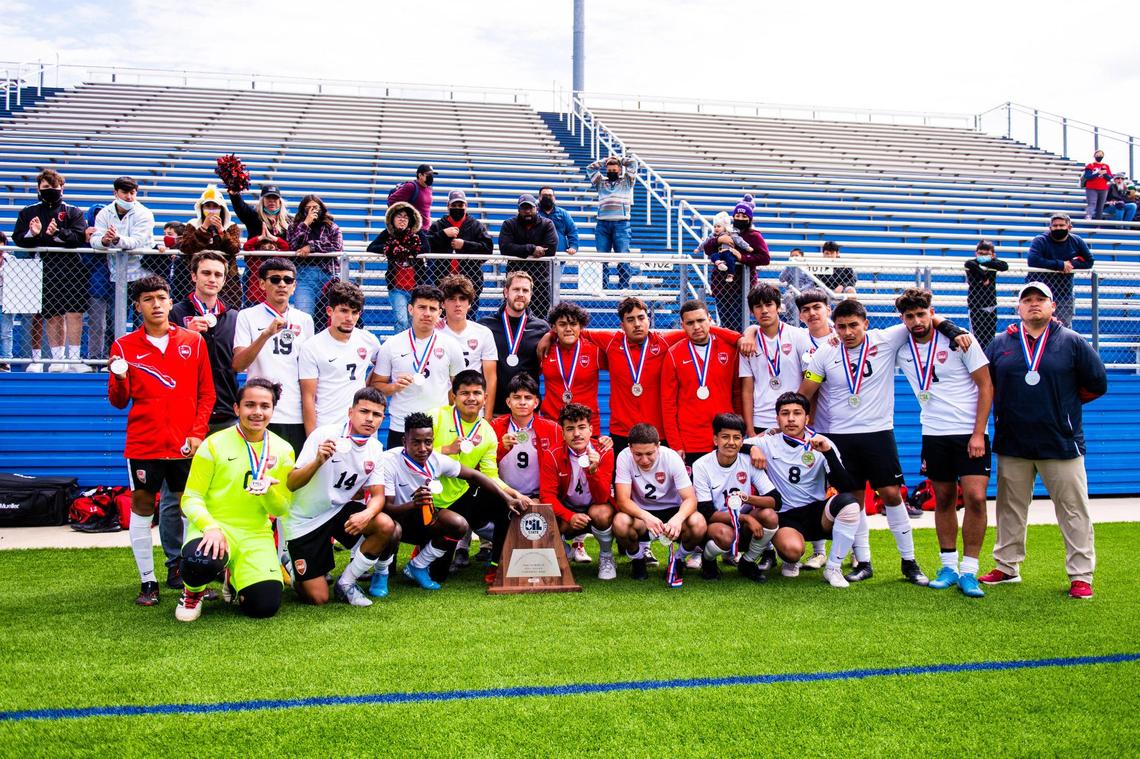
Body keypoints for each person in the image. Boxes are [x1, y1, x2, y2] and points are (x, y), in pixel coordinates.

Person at [799, 299, 967, 585]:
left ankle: (909, 562)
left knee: (891, 494)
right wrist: (799, 425)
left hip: (878, 432)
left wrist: (951, 329)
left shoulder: (887, 339)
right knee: (853, 501)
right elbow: (805, 393)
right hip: (839, 435)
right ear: (834, 327)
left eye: (854, 325)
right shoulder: (824, 353)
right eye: (841, 327)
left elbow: (923, 321)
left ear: (866, 323)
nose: (848, 332)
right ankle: (864, 562)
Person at [979, 282, 1107, 599]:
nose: (1034, 304)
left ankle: (1081, 574)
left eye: (1041, 299)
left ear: (1052, 307)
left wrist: (1061, 408)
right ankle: (1007, 566)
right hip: (1014, 442)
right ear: (1018, 308)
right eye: (1027, 300)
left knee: (1074, 511)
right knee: (1009, 509)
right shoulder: (999, 344)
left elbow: (1097, 384)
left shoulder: (1072, 342)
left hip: (1061, 443)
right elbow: (986, 387)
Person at [107, 275, 215, 607]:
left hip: (184, 444)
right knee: (142, 508)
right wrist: (121, 377)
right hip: (144, 444)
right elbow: (118, 401)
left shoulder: (194, 341)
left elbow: (206, 394)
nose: (156, 304)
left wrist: (198, 433)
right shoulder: (123, 346)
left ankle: (189, 577)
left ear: (171, 302)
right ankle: (147, 582)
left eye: (161, 297)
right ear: (137, 306)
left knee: (189, 508)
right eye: (148, 299)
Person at [893, 289, 993, 598]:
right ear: (903, 319)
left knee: (975, 498)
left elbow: (986, 385)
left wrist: (978, 433)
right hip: (933, 434)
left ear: (931, 312)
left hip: (968, 433)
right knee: (944, 497)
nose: (917, 321)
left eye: (922, 314)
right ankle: (948, 566)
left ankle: (970, 570)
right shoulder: (900, 346)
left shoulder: (961, 340)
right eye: (910, 316)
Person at [174, 378, 295, 622]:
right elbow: (190, 499)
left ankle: (233, 577)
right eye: (250, 405)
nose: (257, 412)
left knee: (264, 606)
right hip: (214, 528)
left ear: (273, 409)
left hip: (254, 534)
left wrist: (269, 492)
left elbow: (282, 508)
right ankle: (192, 593)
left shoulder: (283, 450)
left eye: (264, 406)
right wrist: (211, 527)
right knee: (202, 560)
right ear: (237, 408)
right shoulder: (213, 444)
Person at [379, 408, 524, 591]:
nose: (423, 449)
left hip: (423, 518)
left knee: (458, 525)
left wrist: (507, 498)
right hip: (397, 519)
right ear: (404, 441)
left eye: (428, 442)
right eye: (416, 442)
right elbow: (386, 508)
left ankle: (418, 565)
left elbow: (475, 475)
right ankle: (380, 574)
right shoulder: (388, 461)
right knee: (391, 528)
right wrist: (414, 504)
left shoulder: (436, 460)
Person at [283, 387, 396, 607]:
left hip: (336, 511)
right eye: (364, 411)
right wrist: (317, 461)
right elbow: (291, 483)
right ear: (350, 412)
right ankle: (290, 562)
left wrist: (368, 513)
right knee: (318, 598)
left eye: (377, 415)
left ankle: (347, 583)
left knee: (385, 525)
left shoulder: (375, 448)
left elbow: (378, 495)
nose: (370, 419)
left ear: (383, 418)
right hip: (304, 519)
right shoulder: (324, 435)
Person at [429, 371, 531, 585]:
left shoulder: (487, 431)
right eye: (464, 393)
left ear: (485, 398)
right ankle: (422, 550)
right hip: (427, 495)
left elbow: (490, 475)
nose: (471, 398)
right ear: (453, 396)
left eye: (477, 393)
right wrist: (446, 449)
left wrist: (514, 493)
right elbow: (412, 455)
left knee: (504, 505)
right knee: (437, 575)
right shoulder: (436, 416)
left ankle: (496, 565)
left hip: (459, 496)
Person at [748, 394, 860, 588]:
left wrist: (828, 453)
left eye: (797, 413)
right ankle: (790, 560)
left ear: (807, 418)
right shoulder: (767, 442)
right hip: (786, 515)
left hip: (817, 513)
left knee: (849, 504)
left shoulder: (822, 442)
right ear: (777, 419)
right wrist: (751, 449)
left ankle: (833, 568)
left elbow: (844, 486)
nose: (791, 419)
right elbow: (731, 445)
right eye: (785, 413)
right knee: (792, 551)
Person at [232, 257, 315, 454]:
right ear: (262, 283)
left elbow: (308, 370)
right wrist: (266, 335)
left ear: (294, 286)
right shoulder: (247, 316)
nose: (282, 285)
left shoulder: (305, 320)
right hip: (259, 411)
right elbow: (238, 364)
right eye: (275, 279)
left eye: (287, 280)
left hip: (294, 412)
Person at [13, 169, 89, 372]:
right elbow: (18, 238)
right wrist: (33, 233)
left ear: (62, 189)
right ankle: (57, 358)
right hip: (43, 268)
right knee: (52, 314)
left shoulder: (73, 211)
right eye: (46, 187)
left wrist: (58, 233)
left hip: (72, 268)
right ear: (38, 189)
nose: (50, 191)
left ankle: (74, 359)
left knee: (75, 313)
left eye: (54, 187)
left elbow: (79, 237)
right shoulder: (28, 212)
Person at [370, 284, 464, 448]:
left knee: (435, 473)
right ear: (410, 309)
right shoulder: (391, 345)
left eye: (433, 309)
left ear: (440, 313)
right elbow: (376, 386)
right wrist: (394, 387)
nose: (427, 313)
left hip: (438, 426)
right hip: (401, 426)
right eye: (422, 307)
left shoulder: (451, 345)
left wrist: (443, 409)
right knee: (399, 473)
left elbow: (460, 386)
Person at [612, 423, 705, 586]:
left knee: (698, 523)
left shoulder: (672, 458)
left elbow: (690, 499)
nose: (644, 460)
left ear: (658, 446)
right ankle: (638, 559)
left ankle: (678, 559)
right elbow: (622, 500)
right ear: (630, 447)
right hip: (641, 513)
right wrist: (645, 516)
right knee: (620, 522)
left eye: (649, 453)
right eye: (638, 454)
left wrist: (678, 519)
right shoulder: (624, 456)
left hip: (672, 511)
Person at [690, 413, 780, 582]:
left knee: (769, 515)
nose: (731, 442)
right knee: (725, 535)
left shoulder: (749, 461)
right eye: (725, 437)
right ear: (715, 440)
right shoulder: (701, 465)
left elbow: (775, 500)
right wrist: (745, 518)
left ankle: (748, 561)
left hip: (743, 526)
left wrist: (747, 498)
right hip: (717, 523)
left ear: (742, 441)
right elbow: (706, 512)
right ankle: (708, 560)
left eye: (736, 438)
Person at [540, 403, 618, 580]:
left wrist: (594, 472)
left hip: (594, 506)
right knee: (546, 515)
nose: (576, 434)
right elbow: (547, 495)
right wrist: (569, 516)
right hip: (567, 508)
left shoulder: (604, 452)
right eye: (570, 429)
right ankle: (562, 548)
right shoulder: (552, 454)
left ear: (591, 429)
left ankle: (606, 556)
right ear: (563, 432)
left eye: (582, 427)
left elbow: (602, 496)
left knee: (602, 512)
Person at [660, 300, 741, 467]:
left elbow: (738, 392)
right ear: (682, 325)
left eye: (701, 320)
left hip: (726, 436)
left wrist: (741, 429)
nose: (696, 327)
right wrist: (675, 444)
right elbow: (668, 405)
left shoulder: (729, 349)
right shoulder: (674, 354)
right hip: (691, 440)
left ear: (710, 319)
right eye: (690, 323)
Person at [298, 280, 380, 435]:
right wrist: (312, 438)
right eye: (344, 311)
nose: (349, 318)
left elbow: (382, 367)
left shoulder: (369, 341)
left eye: (354, 312)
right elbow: (308, 398)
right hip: (327, 426)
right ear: (330, 311)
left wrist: (368, 385)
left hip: (360, 426)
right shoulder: (312, 347)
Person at [170, 251, 240, 432]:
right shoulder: (175, 313)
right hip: (187, 411)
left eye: (218, 275)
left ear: (224, 280)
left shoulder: (234, 317)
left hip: (226, 410)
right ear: (194, 276)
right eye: (206, 273)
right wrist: (186, 335)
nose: (212, 279)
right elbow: (164, 360)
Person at [739, 284, 814, 438]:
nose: (764, 310)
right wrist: (750, 430)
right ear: (752, 312)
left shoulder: (798, 337)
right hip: (762, 420)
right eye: (758, 306)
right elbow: (747, 390)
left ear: (778, 307)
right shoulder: (747, 344)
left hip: (793, 420)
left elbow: (811, 380)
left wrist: (806, 416)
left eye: (769, 304)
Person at [479, 270, 551, 416]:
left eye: (525, 290)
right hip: (495, 410)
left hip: (528, 411)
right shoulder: (485, 326)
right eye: (516, 289)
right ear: (506, 292)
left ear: (531, 294)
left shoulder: (542, 328)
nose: (520, 294)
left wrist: (551, 334)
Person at [699, 196, 771, 332]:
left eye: (744, 216)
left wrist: (742, 257)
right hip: (721, 285)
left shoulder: (754, 235)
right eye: (737, 215)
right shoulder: (726, 231)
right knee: (725, 324)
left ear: (749, 218)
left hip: (741, 287)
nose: (740, 218)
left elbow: (764, 258)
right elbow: (708, 250)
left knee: (739, 325)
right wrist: (719, 240)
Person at [438, 273, 498, 418]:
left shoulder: (483, 333)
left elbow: (491, 378)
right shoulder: (434, 333)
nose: (457, 304)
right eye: (451, 299)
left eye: (462, 299)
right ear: (443, 303)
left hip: (474, 408)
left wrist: (488, 416)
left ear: (470, 303)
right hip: (442, 407)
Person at [539, 301, 604, 436]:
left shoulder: (595, 350)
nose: (568, 328)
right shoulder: (544, 349)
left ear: (581, 327)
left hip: (585, 426)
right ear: (554, 328)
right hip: (552, 423)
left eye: (573, 324)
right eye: (562, 324)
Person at [90, 176, 157, 302]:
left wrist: (116, 239)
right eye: (125, 192)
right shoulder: (104, 213)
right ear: (115, 193)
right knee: (115, 318)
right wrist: (104, 240)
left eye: (132, 193)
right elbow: (95, 240)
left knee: (143, 317)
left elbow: (137, 241)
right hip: (117, 274)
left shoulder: (145, 213)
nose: (129, 197)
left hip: (143, 273)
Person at [367, 201, 429, 333]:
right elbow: (371, 247)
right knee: (402, 320)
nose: (402, 219)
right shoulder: (388, 234)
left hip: (416, 288)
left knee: (415, 322)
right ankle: (401, 348)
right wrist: (391, 249)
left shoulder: (418, 234)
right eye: (399, 216)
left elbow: (427, 248)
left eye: (406, 217)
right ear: (392, 219)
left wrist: (408, 249)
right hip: (397, 287)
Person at [177, 184, 242, 307]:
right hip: (197, 276)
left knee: (228, 309)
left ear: (222, 209)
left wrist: (221, 231)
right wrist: (203, 228)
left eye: (215, 206)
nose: (211, 210)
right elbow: (186, 247)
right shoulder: (192, 224)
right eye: (207, 206)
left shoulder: (231, 226)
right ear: (201, 208)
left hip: (227, 279)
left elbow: (235, 248)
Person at [426, 190, 493, 310]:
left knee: (469, 320)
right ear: (448, 206)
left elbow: (487, 249)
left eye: (460, 205)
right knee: (441, 321)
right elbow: (425, 245)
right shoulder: (438, 226)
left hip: (470, 282)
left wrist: (465, 245)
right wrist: (443, 234)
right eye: (454, 205)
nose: (457, 208)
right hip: (441, 282)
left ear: (466, 206)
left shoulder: (475, 225)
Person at [1026, 213, 1094, 327]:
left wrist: (1070, 264)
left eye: (1061, 225)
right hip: (1039, 292)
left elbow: (1089, 261)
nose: (1058, 228)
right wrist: (1060, 265)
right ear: (1050, 227)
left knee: (1063, 328)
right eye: (1055, 226)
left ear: (1069, 227)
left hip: (1064, 293)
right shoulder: (1040, 240)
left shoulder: (1076, 240)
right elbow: (1033, 260)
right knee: (1036, 326)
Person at [228, 183, 291, 305]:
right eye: (268, 198)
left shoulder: (288, 221)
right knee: (250, 306)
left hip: (280, 271)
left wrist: (274, 239)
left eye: (275, 198)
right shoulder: (254, 217)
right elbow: (240, 207)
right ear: (262, 201)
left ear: (280, 201)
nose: (272, 201)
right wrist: (234, 191)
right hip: (254, 270)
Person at [498, 194, 559, 319]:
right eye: (524, 208)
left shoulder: (547, 224)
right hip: (515, 278)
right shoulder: (509, 224)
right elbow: (505, 247)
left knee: (540, 317)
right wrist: (531, 249)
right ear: (518, 210)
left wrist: (519, 250)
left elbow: (551, 248)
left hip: (540, 279)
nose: (527, 211)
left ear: (536, 208)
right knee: (512, 314)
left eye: (530, 208)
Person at [286, 194, 342, 325]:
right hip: (304, 276)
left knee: (328, 318)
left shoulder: (331, 227)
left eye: (315, 207)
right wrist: (306, 223)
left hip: (327, 276)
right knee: (304, 316)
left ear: (321, 208)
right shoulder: (294, 227)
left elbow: (337, 247)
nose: (312, 210)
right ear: (303, 210)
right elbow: (292, 245)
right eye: (308, 208)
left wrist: (311, 247)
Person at [587, 154, 638, 290]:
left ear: (620, 170)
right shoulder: (601, 182)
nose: (612, 173)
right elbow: (590, 168)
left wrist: (619, 159)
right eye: (609, 170)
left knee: (623, 256)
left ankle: (623, 287)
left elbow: (633, 163)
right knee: (602, 259)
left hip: (621, 224)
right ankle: (602, 287)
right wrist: (605, 161)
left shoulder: (627, 182)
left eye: (614, 170)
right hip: (603, 224)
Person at [964, 240, 1009, 349]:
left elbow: (1004, 266)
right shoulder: (972, 264)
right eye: (980, 254)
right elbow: (969, 264)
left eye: (986, 254)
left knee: (990, 338)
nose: (982, 256)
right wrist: (983, 277)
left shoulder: (993, 263)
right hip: (976, 306)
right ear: (976, 253)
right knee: (977, 339)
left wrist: (986, 262)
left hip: (991, 305)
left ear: (993, 255)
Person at [698, 211, 753, 284]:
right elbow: (706, 245)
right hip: (720, 253)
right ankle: (719, 263)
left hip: (728, 251)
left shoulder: (731, 234)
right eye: (715, 226)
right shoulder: (713, 236)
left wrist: (747, 247)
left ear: (725, 227)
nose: (716, 228)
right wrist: (699, 248)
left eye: (719, 226)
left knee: (730, 259)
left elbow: (739, 241)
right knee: (714, 256)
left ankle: (730, 274)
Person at [388, 164, 436, 230]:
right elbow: (391, 201)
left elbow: (425, 208)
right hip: (415, 229)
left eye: (432, 175)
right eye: (428, 174)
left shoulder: (429, 188)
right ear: (420, 175)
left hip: (426, 229)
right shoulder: (411, 186)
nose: (431, 177)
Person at [537, 186, 579, 255]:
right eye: (544, 195)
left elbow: (572, 231)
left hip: (559, 255)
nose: (547, 197)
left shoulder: (563, 213)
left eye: (550, 195)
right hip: (539, 256)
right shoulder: (534, 213)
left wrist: (573, 246)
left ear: (554, 198)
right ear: (539, 198)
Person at [779, 247, 814, 323]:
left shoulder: (808, 267)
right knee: (787, 296)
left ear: (802, 257)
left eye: (796, 255)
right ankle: (792, 319)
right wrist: (788, 266)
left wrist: (799, 290)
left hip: (805, 291)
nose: (794, 257)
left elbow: (810, 283)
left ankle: (801, 318)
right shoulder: (789, 268)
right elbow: (781, 279)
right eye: (792, 256)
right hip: (791, 291)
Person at [1082, 149, 1112, 220]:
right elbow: (1088, 177)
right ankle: (1088, 216)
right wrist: (1098, 173)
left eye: (1101, 155)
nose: (1099, 156)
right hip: (1091, 188)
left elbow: (1109, 178)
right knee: (1092, 203)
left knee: (1100, 206)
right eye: (1098, 154)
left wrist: (1104, 174)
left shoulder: (1106, 166)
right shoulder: (1090, 165)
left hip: (1103, 188)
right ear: (1094, 155)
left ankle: (1098, 222)